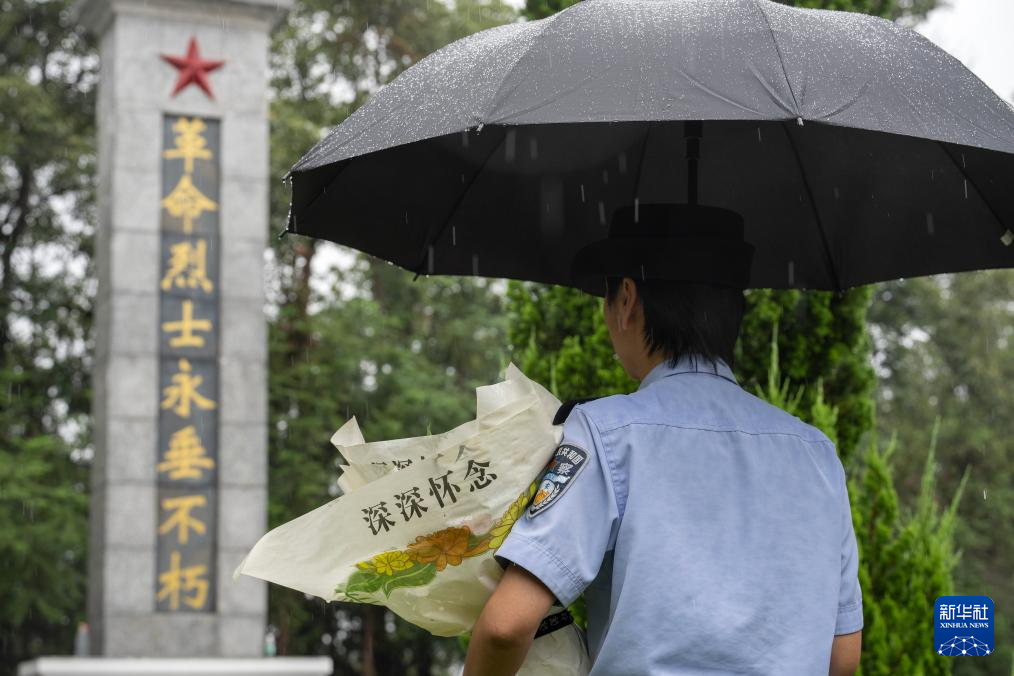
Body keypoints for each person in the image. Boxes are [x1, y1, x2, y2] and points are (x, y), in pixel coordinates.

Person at [463, 203, 863, 675]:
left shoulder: (605, 432)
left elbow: (506, 626)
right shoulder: (816, 454)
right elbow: (843, 657)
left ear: (627, 300)